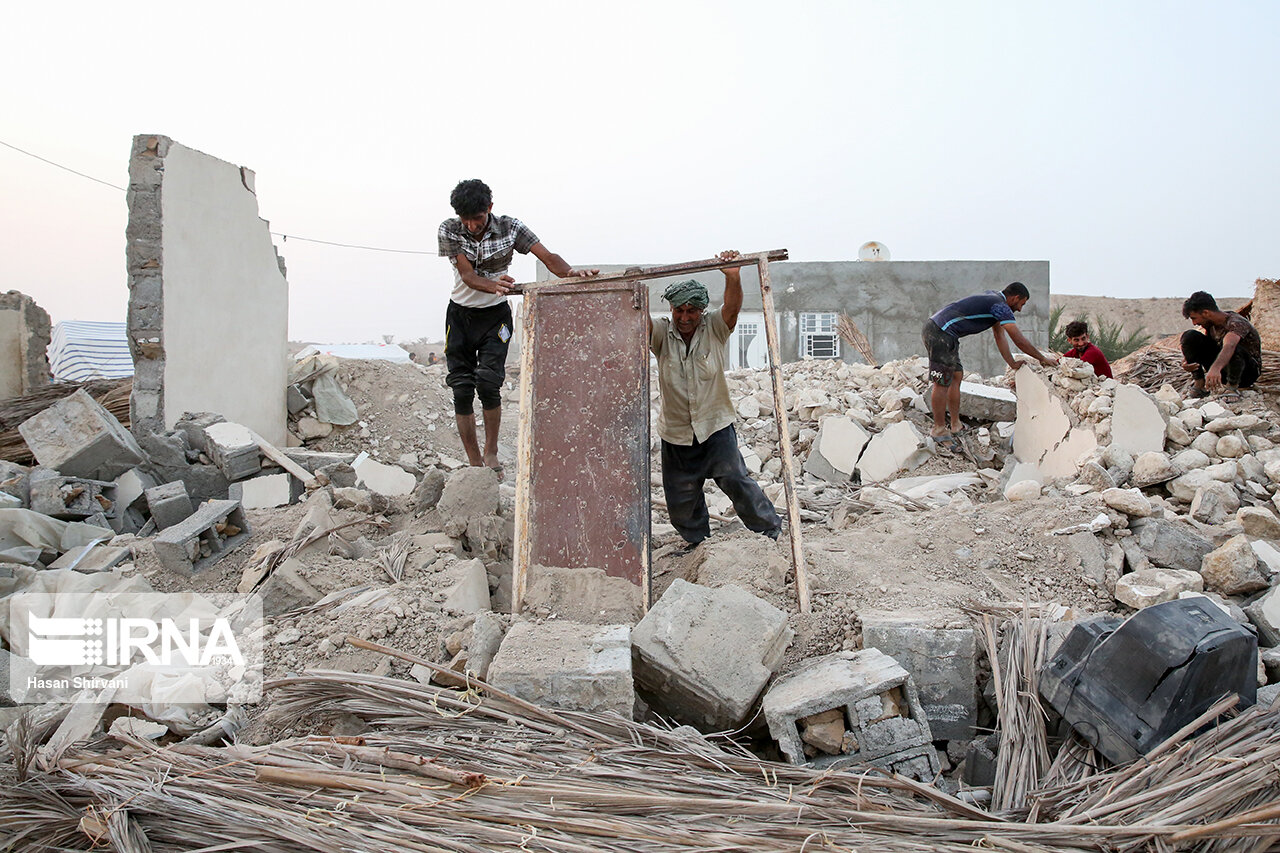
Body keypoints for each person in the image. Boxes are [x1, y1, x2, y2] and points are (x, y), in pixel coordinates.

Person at [438, 179, 597, 473]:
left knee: (488, 383)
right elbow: (467, 276)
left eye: (478, 218)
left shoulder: (511, 228)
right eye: (467, 220)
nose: (472, 225)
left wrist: (571, 272)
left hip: (495, 317)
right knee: (461, 389)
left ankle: (491, 451)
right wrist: (492, 283)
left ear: (490, 209)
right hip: (459, 317)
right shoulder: (449, 229)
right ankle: (474, 463)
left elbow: (548, 257)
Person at [650, 250, 781, 547]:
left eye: (690, 311)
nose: (684, 318)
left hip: (715, 425)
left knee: (735, 479)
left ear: (700, 310)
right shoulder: (661, 332)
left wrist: (732, 276)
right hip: (676, 431)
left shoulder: (715, 329)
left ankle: (769, 530)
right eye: (678, 311)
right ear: (671, 310)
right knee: (681, 495)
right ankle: (697, 542)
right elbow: (638, 324)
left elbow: (732, 308)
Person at [922, 282, 1058, 441]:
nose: (1020, 309)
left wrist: (1013, 363)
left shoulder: (993, 299)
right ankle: (938, 429)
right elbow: (1018, 339)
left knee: (956, 376)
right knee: (942, 382)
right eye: (1022, 304)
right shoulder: (1000, 306)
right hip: (940, 333)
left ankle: (955, 424)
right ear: (1015, 298)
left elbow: (1000, 337)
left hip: (946, 334)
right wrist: (1042, 358)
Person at [1180, 290, 1262, 398]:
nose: (1194, 323)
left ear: (1206, 313)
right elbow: (1208, 347)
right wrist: (1188, 361)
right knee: (1189, 336)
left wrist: (1215, 368)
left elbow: (1230, 346)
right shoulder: (1211, 325)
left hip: (1246, 372)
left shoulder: (1236, 322)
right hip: (1223, 370)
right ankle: (1199, 384)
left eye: (1194, 318)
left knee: (1233, 347)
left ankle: (1232, 387)